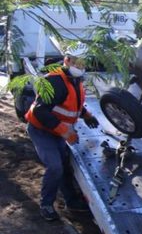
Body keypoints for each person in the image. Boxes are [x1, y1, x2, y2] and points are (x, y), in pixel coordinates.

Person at [25, 43, 99, 221]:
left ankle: (71, 201)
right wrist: (65, 131)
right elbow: (40, 111)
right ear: (67, 60)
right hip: (41, 130)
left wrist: (86, 115)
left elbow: (72, 103)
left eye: (83, 63)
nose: (80, 66)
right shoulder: (55, 81)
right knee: (55, 166)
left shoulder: (75, 79)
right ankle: (46, 204)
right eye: (77, 62)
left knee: (65, 165)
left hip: (55, 131)